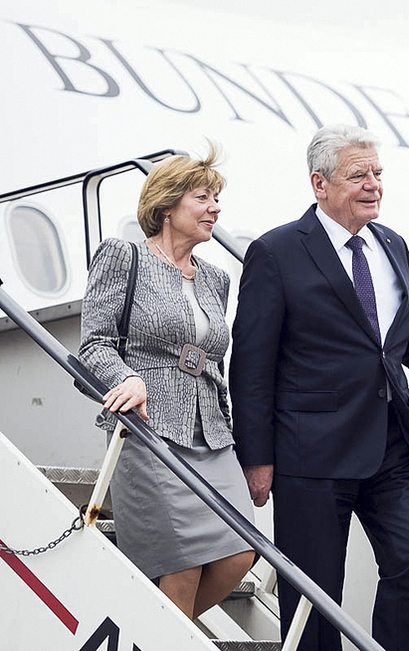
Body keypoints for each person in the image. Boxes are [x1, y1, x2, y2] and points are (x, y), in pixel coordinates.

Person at [229, 124, 409, 651]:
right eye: (358, 174)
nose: (374, 185)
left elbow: (408, 331)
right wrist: (257, 456)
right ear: (319, 183)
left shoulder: (392, 245)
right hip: (310, 450)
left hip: (389, 442)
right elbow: (251, 365)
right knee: (316, 596)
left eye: (378, 173)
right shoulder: (277, 252)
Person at [79, 145, 255, 619]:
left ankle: (152, 632)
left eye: (216, 198)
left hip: (211, 435)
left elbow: (215, 362)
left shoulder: (216, 278)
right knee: (183, 564)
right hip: (149, 425)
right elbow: (94, 343)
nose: (215, 208)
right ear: (167, 206)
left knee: (241, 552)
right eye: (203, 197)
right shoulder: (124, 256)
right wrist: (127, 377)